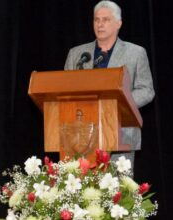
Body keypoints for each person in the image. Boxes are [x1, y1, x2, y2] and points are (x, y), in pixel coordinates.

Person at [64, 0, 155, 167]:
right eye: (96, 19)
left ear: (118, 23)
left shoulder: (135, 53)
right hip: (80, 136)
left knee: (117, 191)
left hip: (120, 134)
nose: (100, 24)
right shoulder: (77, 54)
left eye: (106, 20)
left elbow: (147, 90)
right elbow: (64, 91)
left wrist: (118, 103)